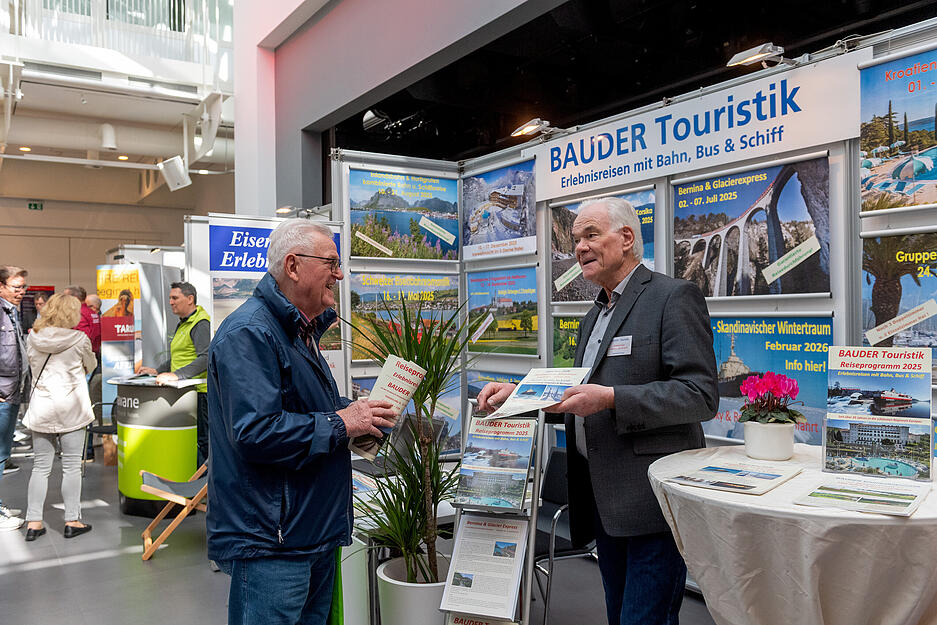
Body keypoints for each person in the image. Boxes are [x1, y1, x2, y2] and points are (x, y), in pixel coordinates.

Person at [478, 198, 718, 625]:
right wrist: (516, 395)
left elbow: (698, 395)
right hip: (603, 504)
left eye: (591, 235)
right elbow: (574, 396)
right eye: (575, 240)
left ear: (626, 238)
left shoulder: (672, 297)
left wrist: (611, 399)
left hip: (650, 506)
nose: (580, 248)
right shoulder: (594, 316)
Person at [208, 219, 395, 625]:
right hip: (272, 545)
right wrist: (343, 421)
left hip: (308, 535)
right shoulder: (250, 333)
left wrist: (362, 414)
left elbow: (305, 407)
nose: (340, 274)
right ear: (293, 266)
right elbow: (256, 432)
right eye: (331, 262)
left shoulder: (296, 330)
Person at [21, 293, 96, 541]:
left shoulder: (33, 338)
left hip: (42, 408)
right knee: (71, 467)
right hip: (72, 410)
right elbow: (91, 365)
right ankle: (72, 520)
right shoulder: (80, 339)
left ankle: (33, 522)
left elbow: (30, 367)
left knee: (40, 468)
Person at [139, 282, 211, 467]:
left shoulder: (200, 323)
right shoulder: (184, 323)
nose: (170, 302)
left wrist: (177, 375)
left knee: (203, 442)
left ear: (190, 299)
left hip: (199, 393)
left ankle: (203, 489)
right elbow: (179, 356)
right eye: (170, 298)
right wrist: (158, 370)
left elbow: (206, 358)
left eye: (175, 298)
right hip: (186, 393)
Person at [0, 266, 28, 530]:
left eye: (23, 287)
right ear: (0, 286)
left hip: (11, 392)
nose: (21, 292)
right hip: (2, 394)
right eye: (15, 287)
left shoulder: (12, 312)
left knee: (3, 453)